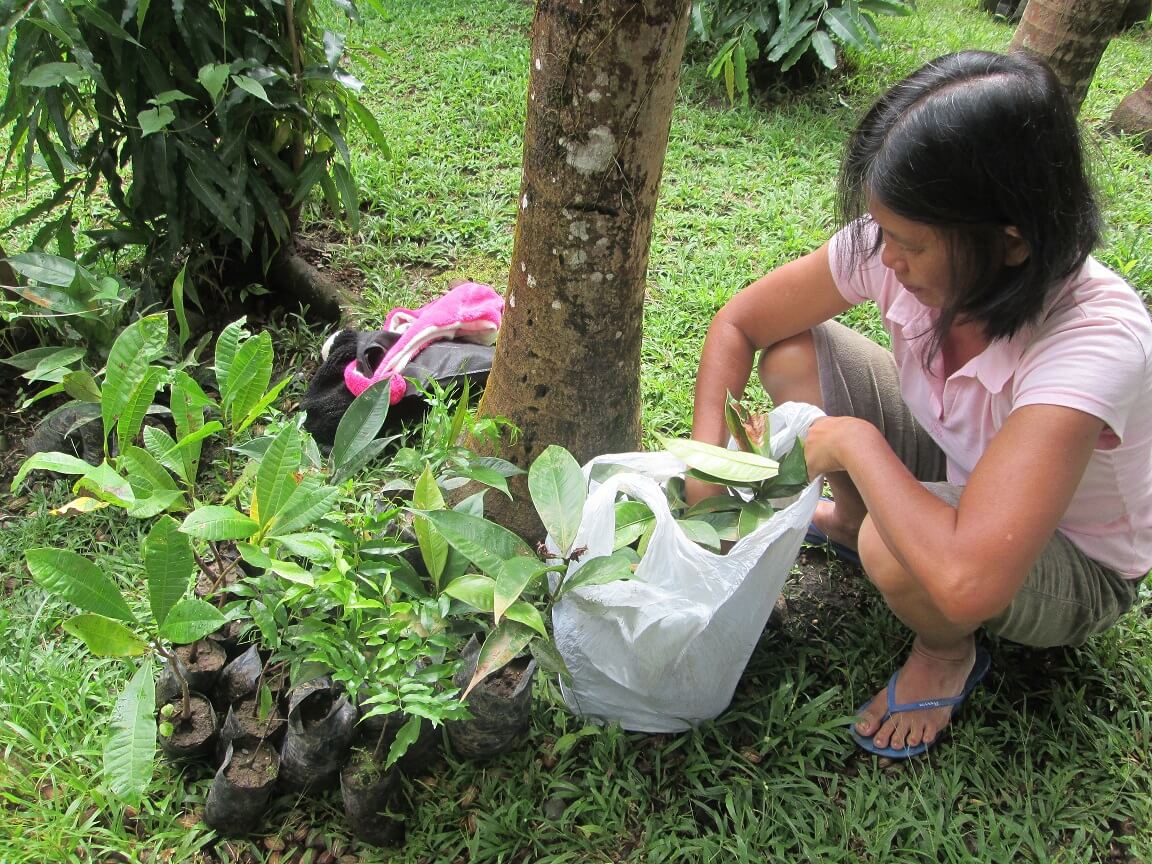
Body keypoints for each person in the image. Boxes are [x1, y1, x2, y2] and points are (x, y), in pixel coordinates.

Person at [689, 50, 1152, 759]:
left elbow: (968, 579)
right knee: (790, 352)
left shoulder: (1096, 340)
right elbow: (742, 322)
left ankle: (945, 656)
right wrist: (708, 456)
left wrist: (853, 443)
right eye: (882, 231)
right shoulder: (903, 245)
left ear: (1013, 243)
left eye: (910, 242)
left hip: (1070, 558)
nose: (887, 259)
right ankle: (849, 518)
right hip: (962, 457)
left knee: (902, 550)